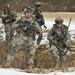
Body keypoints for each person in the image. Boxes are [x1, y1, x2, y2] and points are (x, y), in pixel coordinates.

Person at [2, 7, 40, 73]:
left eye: (29, 13)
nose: (28, 14)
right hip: (21, 37)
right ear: (25, 13)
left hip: (30, 38)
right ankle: (8, 63)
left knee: (30, 53)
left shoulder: (33, 21)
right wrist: (20, 25)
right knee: (13, 48)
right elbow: (13, 26)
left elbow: (39, 30)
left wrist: (37, 34)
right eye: (27, 13)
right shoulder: (20, 20)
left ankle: (30, 67)